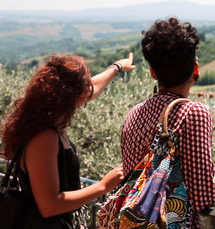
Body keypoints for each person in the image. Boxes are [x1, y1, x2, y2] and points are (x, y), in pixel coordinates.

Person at [121, 17, 215, 228]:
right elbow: (203, 197)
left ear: (153, 72)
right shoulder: (193, 112)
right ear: (196, 69)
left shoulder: (134, 113)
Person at [0, 52, 136, 228]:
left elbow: (92, 88)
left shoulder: (48, 118)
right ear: (76, 95)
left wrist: (117, 67)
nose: (89, 91)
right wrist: (102, 186)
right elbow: (48, 206)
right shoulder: (45, 138)